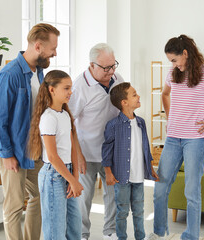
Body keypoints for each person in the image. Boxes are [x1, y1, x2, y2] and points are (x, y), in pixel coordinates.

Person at [148, 34, 204, 240]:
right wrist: (171, 118)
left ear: (185, 54)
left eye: (174, 60)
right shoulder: (173, 73)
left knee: (191, 192)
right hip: (172, 139)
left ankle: (191, 236)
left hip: (196, 141)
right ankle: (159, 232)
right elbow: (165, 94)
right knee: (160, 188)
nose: (173, 65)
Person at [0, 23, 60, 240]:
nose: (55, 53)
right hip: (10, 148)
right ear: (38, 46)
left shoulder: (39, 72)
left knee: (40, 195)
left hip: (32, 148)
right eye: (52, 49)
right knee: (14, 205)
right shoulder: (10, 75)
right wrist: (7, 154)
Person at [69, 43, 124, 240]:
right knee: (84, 197)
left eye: (113, 65)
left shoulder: (117, 80)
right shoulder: (79, 87)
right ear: (92, 65)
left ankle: (110, 232)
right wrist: (78, 154)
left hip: (111, 151)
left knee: (113, 194)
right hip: (87, 151)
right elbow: (70, 122)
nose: (111, 71)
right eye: (106, 67)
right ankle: (82, 235)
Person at [27, 70, 84, 239]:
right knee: (55, 232)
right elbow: (52, 156)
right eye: (66, 88)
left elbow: (72, 148)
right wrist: (72, 180)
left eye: (71, 88)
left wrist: (75, 177)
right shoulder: (48, 117)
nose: (70, 92)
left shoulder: (65, 114)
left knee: (74, 228)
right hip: (53, 176)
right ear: (52, 90)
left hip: (68, 173)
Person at [101, 82, 159, 240]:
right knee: (122, 211)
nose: (138, 96)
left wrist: (151, 168)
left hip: (138, 176)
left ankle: (140, 237)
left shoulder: (141, 122)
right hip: (121, 176)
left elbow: (146, 147)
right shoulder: (113, 125)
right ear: (124, 102)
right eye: (134, 94)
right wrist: (108, 173)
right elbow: (106, 150)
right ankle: (121, 238)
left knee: (139, 211)